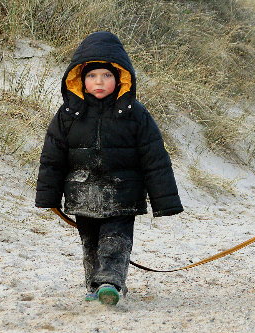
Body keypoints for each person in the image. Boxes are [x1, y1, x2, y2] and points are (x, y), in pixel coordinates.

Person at [35, 31, 184, 305]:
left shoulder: (135, 113)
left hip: (123, 193)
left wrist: (165, 200)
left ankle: (111, 283)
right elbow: (52, 157)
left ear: (119, 78)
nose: (99, 81)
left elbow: (155, 158)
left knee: (115, 241)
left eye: (106, 75)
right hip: (83, 192)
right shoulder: (68, 114)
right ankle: (95, 287)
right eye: (92, 76)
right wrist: (48, 195)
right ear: (80, 78)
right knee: (90, 243)